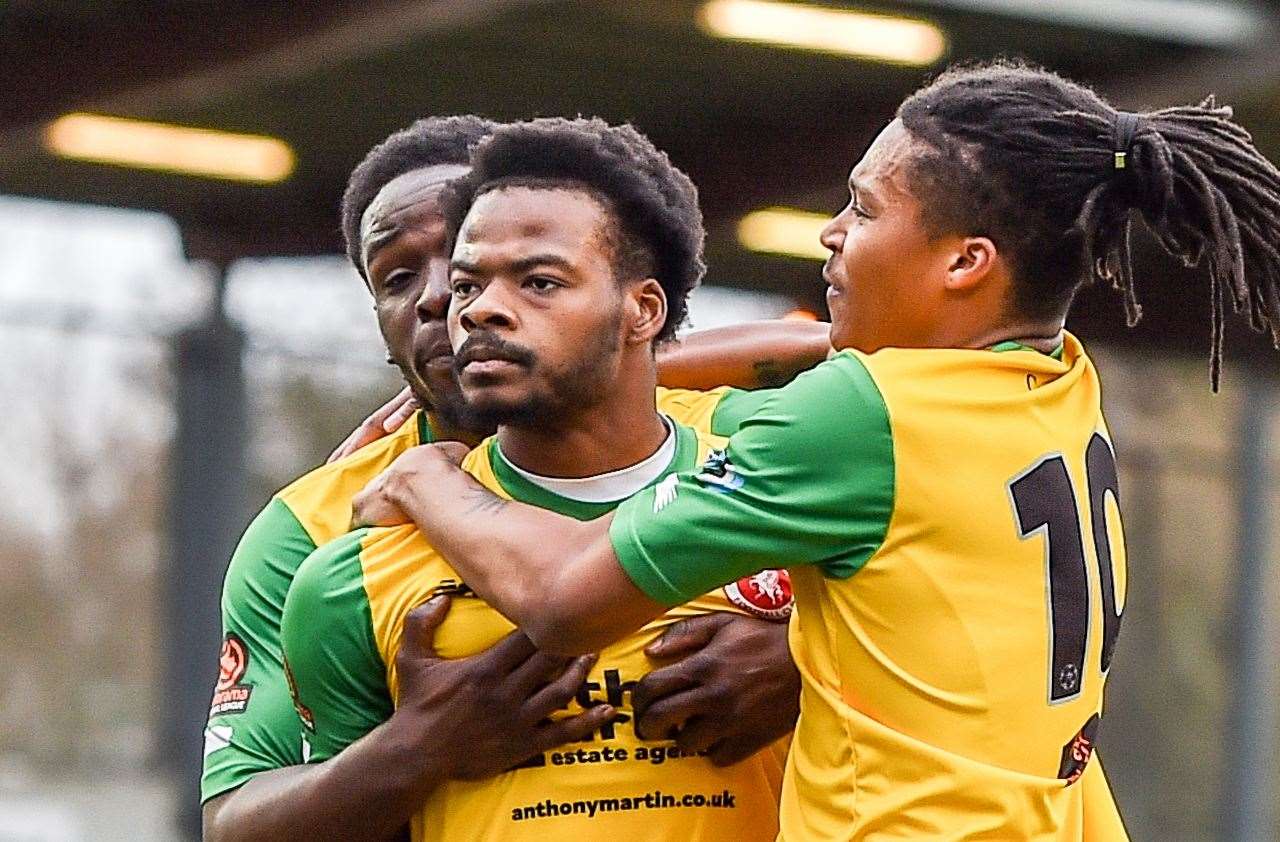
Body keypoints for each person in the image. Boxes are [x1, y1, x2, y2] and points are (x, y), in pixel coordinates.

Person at [355, 61, 1280, 840]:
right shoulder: (1055, 382)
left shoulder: (856, 419)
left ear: (966, 263)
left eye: (864, 209)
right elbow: (817, 351)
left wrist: (429, 475)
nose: (832, 233)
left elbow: (564, 602)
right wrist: (593, 355)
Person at [202, 115, 829, 842]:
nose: (451, 300)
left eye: (533, 276)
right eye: (402, 276)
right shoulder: (323, 537)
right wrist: (421, 744)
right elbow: (235, 819)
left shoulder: (757, 453)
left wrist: (804, 657)